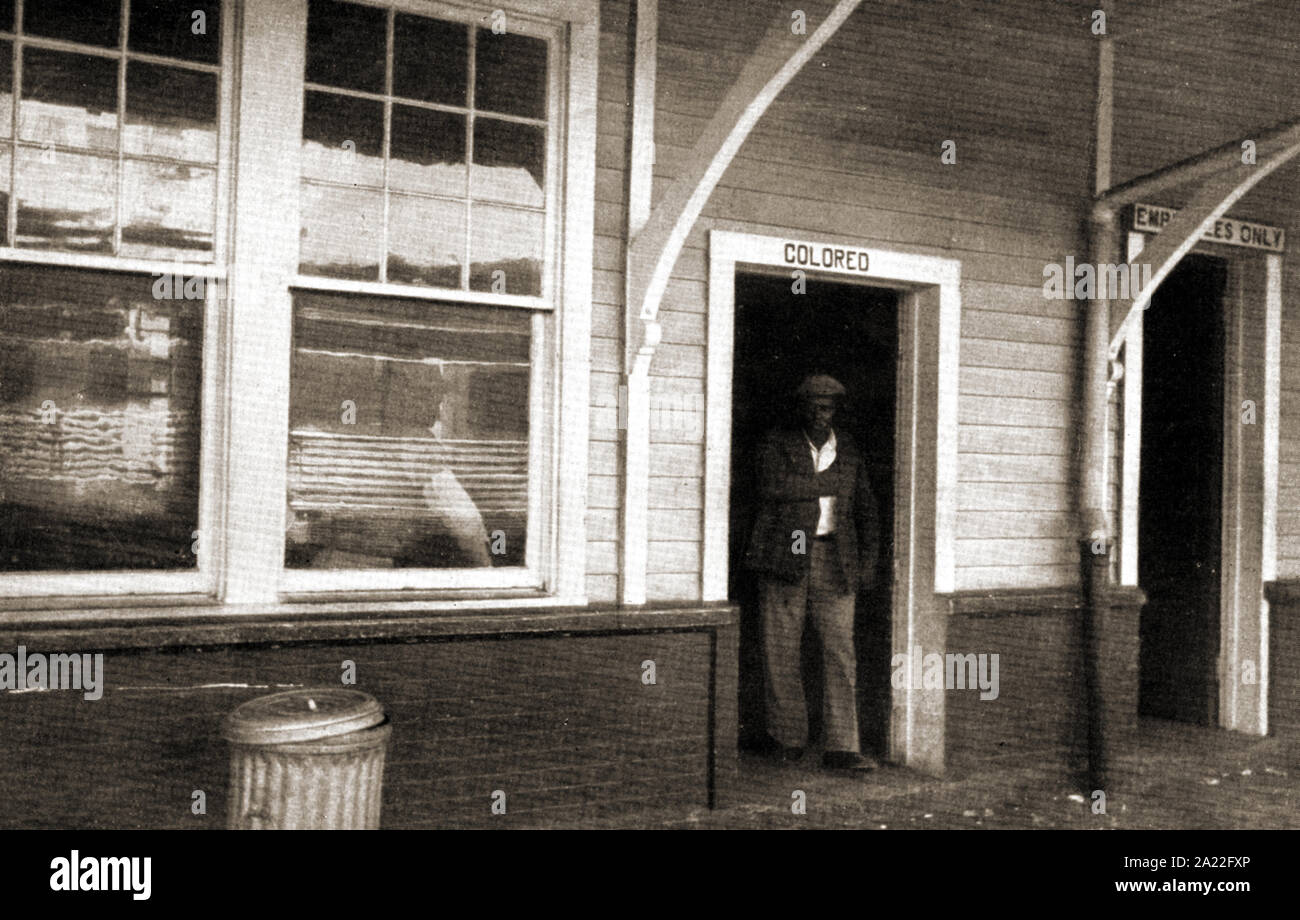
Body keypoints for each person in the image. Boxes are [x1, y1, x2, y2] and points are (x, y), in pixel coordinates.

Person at [743, 373, 880, 771]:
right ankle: (788, 738)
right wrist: (828, 484)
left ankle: (842, 746)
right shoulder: (777, 442)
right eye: (813, 407)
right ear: (800, 408)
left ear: (836, 410)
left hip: (834, 557)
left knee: (840, 652)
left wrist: (868, 561)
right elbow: (772, 486)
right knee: (780, 647)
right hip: (786, 552)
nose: (821, 415)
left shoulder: (849, 449)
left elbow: (865, 507)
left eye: (828, 407)